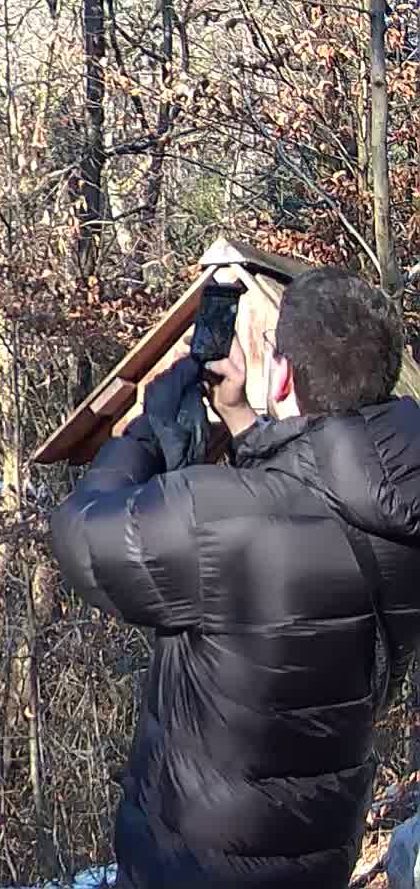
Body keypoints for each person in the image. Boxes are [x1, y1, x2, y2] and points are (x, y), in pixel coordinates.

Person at [51, 265, 420, 888]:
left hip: (195, 863)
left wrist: (145, 432)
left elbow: (81, 535)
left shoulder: (220, 518)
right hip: (318, 849)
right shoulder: (402, 512)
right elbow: (318, 497)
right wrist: (246, 424)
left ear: (281, 373)